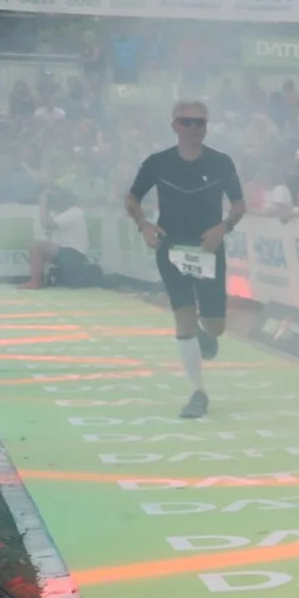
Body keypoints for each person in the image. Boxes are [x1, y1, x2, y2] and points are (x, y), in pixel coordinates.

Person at [125, 99, 245, 420]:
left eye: (200, 123)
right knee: (184, 317)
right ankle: (198, 393)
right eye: (187, 122)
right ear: (174, 126)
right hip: (171, 246)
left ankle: (207, 336)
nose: (194, 129)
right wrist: (144, 225)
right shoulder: (158, 162)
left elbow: (239, 205)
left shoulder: (221, 162)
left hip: (208, 248)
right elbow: (132, 197)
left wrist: (224, 227)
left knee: (216, 327)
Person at [24, 185, 93, 289]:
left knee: (36, 246)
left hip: (74, 253)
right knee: (37, 245)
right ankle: (40, 280)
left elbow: (47, 224)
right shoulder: (60, 213)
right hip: (64, 251)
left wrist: (43, 205)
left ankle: (35, 282)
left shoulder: (74, 212)